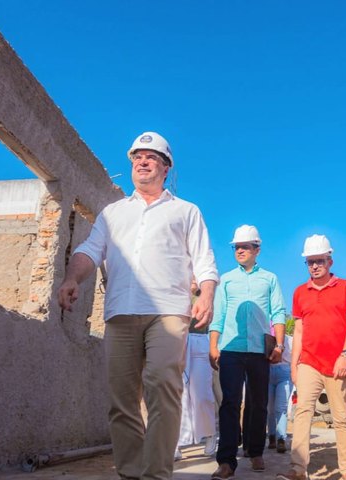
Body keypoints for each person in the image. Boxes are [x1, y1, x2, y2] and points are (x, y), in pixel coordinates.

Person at [57, 131, 218, 480]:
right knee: (122, 399)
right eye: (136, 157)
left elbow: (205, 261)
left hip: (168, 313)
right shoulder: (112, 213)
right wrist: (72, 278)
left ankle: (157, 474)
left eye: (151, 157)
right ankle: (130, 473)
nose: (142, 162)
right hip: (120, 312)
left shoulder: (186, 211)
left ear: (165, 167)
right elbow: (89, 251)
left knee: (163, 386)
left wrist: (206, 295)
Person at [277, 235, 346, 480]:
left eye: (319, 261)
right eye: (310, 262)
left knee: (341, 418)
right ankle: (298, 469)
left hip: (338, 363)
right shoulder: (300, 293)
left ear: (330, 261)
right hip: (309, 363)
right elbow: (299, 331)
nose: (314, 266)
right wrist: (294, 364)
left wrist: (345, 355)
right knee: (302, 412)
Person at [209, 225, 286, 479]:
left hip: (259, 351)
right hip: (230, 348)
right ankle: (227, 461)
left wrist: (280, 345)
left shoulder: (270, 279)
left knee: (258, 402)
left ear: (257, 249)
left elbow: (277, 313)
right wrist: (213, 345)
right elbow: (218, 315)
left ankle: (255, 451)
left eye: (245, 246)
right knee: (230, 402)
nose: (239, 250)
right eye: (236, 247)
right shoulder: (227, 280)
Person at [175, 283, 218, 460]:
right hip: (177, 341)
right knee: (178, 394)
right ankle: (176, 441)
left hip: (199, 340)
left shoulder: (207, 295)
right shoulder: (176, 289)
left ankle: (209, 434)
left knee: (202, 393)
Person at [267, 333, 294, 453]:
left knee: (281, 407)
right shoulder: (266, 339)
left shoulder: (290, 340)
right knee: (270, 408)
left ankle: (281, 439)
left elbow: (295, 359)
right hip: (268, 372)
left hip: (284, 372)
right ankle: (272, 436)